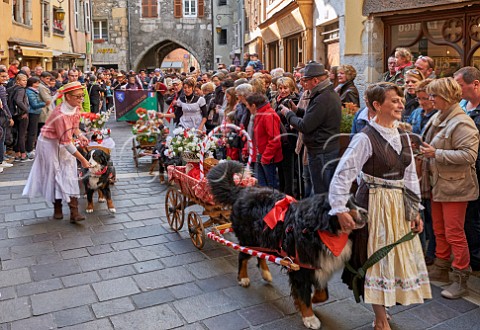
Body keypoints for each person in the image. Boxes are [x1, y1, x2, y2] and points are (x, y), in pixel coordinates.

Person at [330, 82, 431, 329]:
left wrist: (415, 209)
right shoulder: (365, 138)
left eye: (400, 100)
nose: (400, 104)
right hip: (373, 203)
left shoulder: (404, 136)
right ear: (377, 105)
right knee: (376, 257)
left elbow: (409, 177)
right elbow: (343, 174)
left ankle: (386, 304)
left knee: (394, 256)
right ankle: (380, 316)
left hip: (397, 204)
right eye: (393, 100)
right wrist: (340, 208)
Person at [421, 77, 479, 299]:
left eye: (434, 95)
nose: (431, 99)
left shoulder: (462, 122)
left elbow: (469, 156)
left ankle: (460, 278)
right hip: (439, 183)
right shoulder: (440, 116)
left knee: (455, 232)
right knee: (439, 229)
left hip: (456, 186)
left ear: (445, 97)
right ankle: (441, 267)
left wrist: (436, 154)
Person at [23, 81, 91, 223]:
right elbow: (66, 143)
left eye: (82, 96)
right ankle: (58, 208)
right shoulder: (60, 114)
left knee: (69, 173)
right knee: (55, 174)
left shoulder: (75, 108)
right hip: (48, 143)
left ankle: (74, 212)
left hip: (63, 141)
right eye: (77, 97)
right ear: (67, 97)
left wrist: (80, 135)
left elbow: (75, 128)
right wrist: (83, 160)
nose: (80, 100)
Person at [281, 61, 341, 194]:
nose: (302, 84)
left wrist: (288, 114)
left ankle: (321, 214)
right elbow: (314, 117)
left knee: (321, 192)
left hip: (322, 152)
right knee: (319, 189)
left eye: (305, 81)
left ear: (315, 80)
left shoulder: (322, 98)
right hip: (323, 150)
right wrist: (297, 111)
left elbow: (305, 126)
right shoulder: (325, 94)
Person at [406, 79, 437, 266]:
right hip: (416, 163)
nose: (422, 102)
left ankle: (431, 252)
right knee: (421, 208)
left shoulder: (438, 116)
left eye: (425, 98)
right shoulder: (417, 112)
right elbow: (410, 128)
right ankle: (420, 250)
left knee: (431, 213)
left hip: (430, 165)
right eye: (419, 99)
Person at [454, 66, 480, 271]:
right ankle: (474, 257)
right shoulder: (462, 105)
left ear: (475, 84)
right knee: (469, 216)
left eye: (460, 85)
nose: (457, 89)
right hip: (465, 171)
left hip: (476, 165)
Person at [246, 93, 282, 188]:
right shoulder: (260, 114)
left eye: (248, 106)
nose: (247, 108)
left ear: (253, 106)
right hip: (262, 155)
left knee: (271, 185)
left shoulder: (268, 115)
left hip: (268, 157)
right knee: (262, 185)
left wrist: (266, 157)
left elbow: (275, 139)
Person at [7, 74, 30, 162]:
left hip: (13, 115)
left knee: (16, 134)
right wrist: (26, 110)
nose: (25, 82)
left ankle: (17, 153)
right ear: (18, 81)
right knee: (22, 134)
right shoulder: (21, 90)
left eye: (26, 80)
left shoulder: (10, 89)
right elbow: (19, 101)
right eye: (23, 80)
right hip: (21, 114)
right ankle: (23, 154)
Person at [25, 77, 46, 160]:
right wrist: (44, 104)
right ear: (31, 84)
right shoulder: (30, 92)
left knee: (34, 131)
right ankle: (29, 149)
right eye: (36, 83)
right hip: (33, 113)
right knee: (32, 131)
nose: (38, 85)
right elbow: (34, 104)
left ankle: (31, 148)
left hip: (36, 113)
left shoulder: (34, 91)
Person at [0, 69, 14, 171]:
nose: (6, 78)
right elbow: (4, 105)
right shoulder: (1, 88)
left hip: (2, 115)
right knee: (1, 137)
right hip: (2, 116)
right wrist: (9, 117)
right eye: (3, 76)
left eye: (6, 76)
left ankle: (2, 159)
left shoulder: (2, 87)